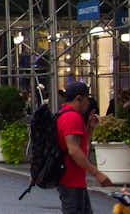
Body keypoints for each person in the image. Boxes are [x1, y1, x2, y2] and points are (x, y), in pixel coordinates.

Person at [56, 82, 112, 214]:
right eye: (87, 99)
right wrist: (97, 173)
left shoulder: (64, 114)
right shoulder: (72, 117)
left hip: (74, 181)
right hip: (71, 181)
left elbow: (80, 148)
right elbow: (74, 150)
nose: (88, 103)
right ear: (79, 98)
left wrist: (90, 129)